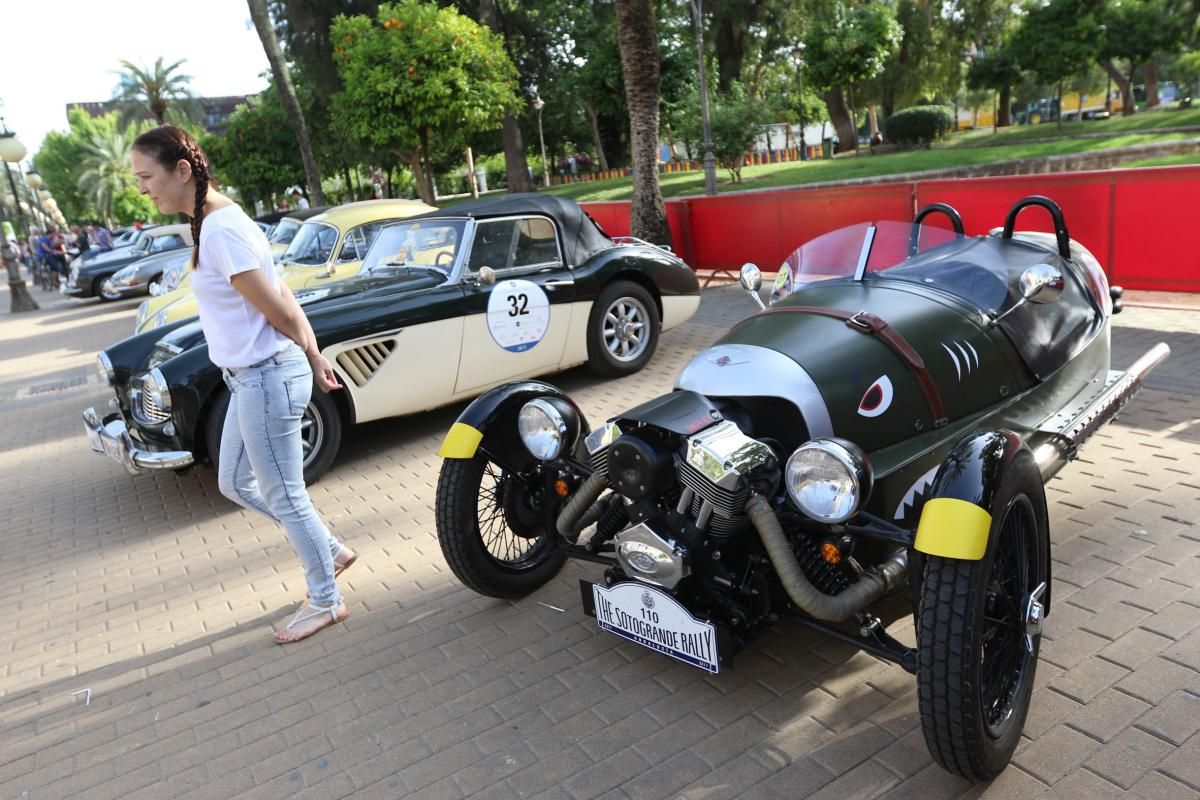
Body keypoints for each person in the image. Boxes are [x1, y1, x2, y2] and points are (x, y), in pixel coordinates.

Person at [131, 125, 355, 644]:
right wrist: (313, 352)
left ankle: (326, 599)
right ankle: (329, 549)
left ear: (181, 170)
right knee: (235, 481)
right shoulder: (215, 223)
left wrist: (309, 353)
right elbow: (282, 295)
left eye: (148, 177)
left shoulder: (222, 231)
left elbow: (277, 306)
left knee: (284, 491)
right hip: (252, 378)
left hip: (267, 377)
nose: (144, 189)